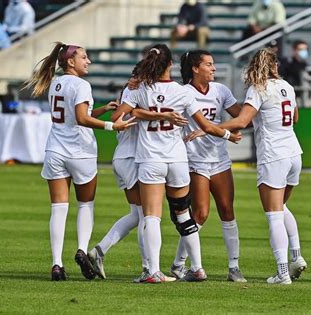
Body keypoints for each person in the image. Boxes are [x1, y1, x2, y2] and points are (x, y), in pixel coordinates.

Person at [112, 44, 241, 283]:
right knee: (184, 215)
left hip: (151, 159)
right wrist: (228, 136)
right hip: (179, 160)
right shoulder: (183, 92)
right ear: (170, 64)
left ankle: (152, 272)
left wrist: (149, 113)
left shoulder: (139, 88)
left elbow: (117, 117)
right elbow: (206, 126)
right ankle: (198, 268)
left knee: (151, 217)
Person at [23, 42, 136, 281]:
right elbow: (82, 119)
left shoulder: (55, 82)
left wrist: (103, 109)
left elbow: (75, 116)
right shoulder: (82, 84)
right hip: (80, 152)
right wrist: (111, 124)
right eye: (84, 57)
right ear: (70, 61)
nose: (89, 61)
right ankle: (82, 250)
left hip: (55, 149)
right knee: (85, 205)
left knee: (58, 209)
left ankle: (56, 264)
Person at [87, 47, 190, 282]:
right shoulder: (139, 90)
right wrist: (156, 115)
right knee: (147, 215)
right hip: (134, 157)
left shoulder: (135, 88)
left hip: (126, 157)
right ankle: (148, 269)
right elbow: (118, 119)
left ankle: (101, 252)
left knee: (138, 214)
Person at [217, 48, 307, 285]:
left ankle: (282, 272)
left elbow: (242, 121)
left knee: (274, 215)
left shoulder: (258, 88)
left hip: (273, 154)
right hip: (294, 153)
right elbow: (295, 117)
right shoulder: (287, 85)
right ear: (274, 66)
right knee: (282, 206)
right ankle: (296, 257)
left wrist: (211, 127)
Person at [168, 50, 246, 282]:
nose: (213, 68)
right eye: (208, 64)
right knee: (200, 213)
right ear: (195, 68)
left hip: (219, 159)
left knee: (228, 211)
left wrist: (217, 128)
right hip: (194, 160)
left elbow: (241, 118)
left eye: (213, 64)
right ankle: (180, 263)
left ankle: (233, 267)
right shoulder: (183, 93)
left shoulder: (221, 90)